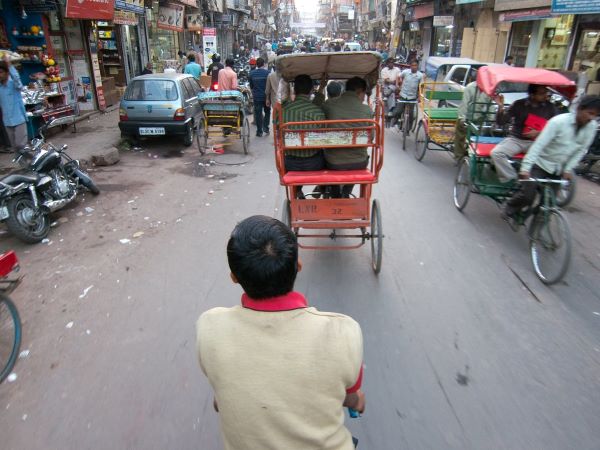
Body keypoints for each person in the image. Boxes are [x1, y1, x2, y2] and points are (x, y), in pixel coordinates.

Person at [196, 215, 365, 450]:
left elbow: (220, 398)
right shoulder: (343, 332)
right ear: (298, 267)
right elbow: (351, 396)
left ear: (234, 277)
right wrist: (356, 402)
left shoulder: (210, 327)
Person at [502, 95, 600, 219]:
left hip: (558, 168)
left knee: (547, 205)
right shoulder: (558, 122)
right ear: (580, 108)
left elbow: (581, 150)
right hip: (539, 163)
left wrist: (568, 169)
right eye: (590, 113)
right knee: (527, 196)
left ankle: (537, 226)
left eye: (595, 115)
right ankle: (510, 206)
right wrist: (525, 168)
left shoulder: (591, 127)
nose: (591, 118)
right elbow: (538, 145)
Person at [491, 84, 558, 184]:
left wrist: (539, 133)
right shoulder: (518, 104)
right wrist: (501, 107)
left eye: (546, 93)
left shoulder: (550, 107)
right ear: (532, 95)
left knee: (553, 156)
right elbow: (501, 122)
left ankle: (543, 182)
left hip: (538, 141)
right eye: (541, 94)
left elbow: (556, 127)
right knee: (496, 154)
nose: (545, 96)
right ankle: (513, 179)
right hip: (516, 139)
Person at [322, 77, 373, 198]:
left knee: (325, 155)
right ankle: (346, 191)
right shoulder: (366, 110)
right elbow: (371, 137)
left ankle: (335, 193)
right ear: (359, 91)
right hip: (359, 162)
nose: (364, 97)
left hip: (333, 162)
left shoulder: (329, 104)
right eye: (364, 94)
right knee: (361, 160)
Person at [453, 69, 492, 160]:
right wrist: (462, 119)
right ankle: (458, 156)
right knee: (460, 134)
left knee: (483, 136)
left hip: (479, 118)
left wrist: (491, 120)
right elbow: (464, 104)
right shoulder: (470, 87)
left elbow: (491, 106)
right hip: (467, 116)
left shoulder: (488, 90)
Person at [0, 58, 27, 155]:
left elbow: (18, 81)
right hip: (7, 121)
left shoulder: (13, 84)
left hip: (19, 119)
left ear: (7, 73)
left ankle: (31, 161)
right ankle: (24, 164)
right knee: (15, 148)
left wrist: (10, 66)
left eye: (1, 72)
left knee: (20, 145)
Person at [392, 60, 423, 133]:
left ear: (417, 66)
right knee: (398, 111)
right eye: (412, 65)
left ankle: (408, 129)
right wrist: (397, 85)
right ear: (410, 66)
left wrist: (419, 97)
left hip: (412, 97)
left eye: (415, 65)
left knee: (411, 115)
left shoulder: (420, 75)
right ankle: (395, 121)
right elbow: (398, 77)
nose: (414, 67)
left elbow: (421, 87)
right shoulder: (405, 72)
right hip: (403, 94)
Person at [248, 57, 270, 137]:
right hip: (266, 97)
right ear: (263, 64)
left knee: (258, 114)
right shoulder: (268, 73)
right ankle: (266, 127)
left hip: (257, 97)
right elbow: (269, 86)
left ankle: (259, 131)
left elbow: (251, 86)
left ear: (256, 65)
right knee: (267, 112)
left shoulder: (252, 73)